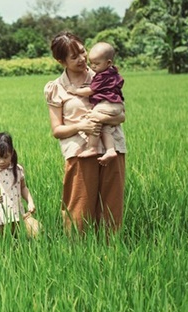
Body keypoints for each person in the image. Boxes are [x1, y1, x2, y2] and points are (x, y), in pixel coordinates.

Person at [43, 32, 127, 236]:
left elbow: (121, 115)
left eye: (82, 51)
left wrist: (100, 119)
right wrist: (83, 125)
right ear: (60, 61)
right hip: (79, 152)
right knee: (78, 210)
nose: (82, 59)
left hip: (112, 148)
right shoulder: (56, 88)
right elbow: (57, 130)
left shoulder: (104, 75)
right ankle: (77, 256)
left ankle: (110, 253)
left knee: (111, 207)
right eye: (74, 57)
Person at [66, 42, 125, 165]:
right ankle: (110, 150)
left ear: (108, 63)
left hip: (107, 103)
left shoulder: (102, 76)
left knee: (94, 117)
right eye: (91, 63)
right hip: (116, 105)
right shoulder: (113, 73)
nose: (93, 67)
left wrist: (75, 90)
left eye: (96, 64)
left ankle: (92, 147)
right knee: (106, 128)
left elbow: (91, 90)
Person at [0, 132, 35, 237]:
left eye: (6, 157)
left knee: (16, 234)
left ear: (12, 153)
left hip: (15, 209)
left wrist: (30, 201)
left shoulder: (17, 170)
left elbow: (23, 188)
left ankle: (15, 251)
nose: (2, 161)